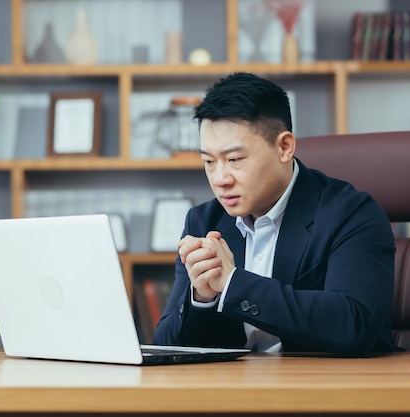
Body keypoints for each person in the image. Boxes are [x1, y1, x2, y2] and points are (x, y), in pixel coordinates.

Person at [153, 72, 395, 355]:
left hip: (325, 391)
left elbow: (354, 323)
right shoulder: (204, 222)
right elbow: (166, 345)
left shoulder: (351, 213)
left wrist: (232, 284)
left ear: (284, 147)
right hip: (234, 392)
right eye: (209, 161)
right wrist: (202, 297)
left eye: (234, 160)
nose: (220, 179)